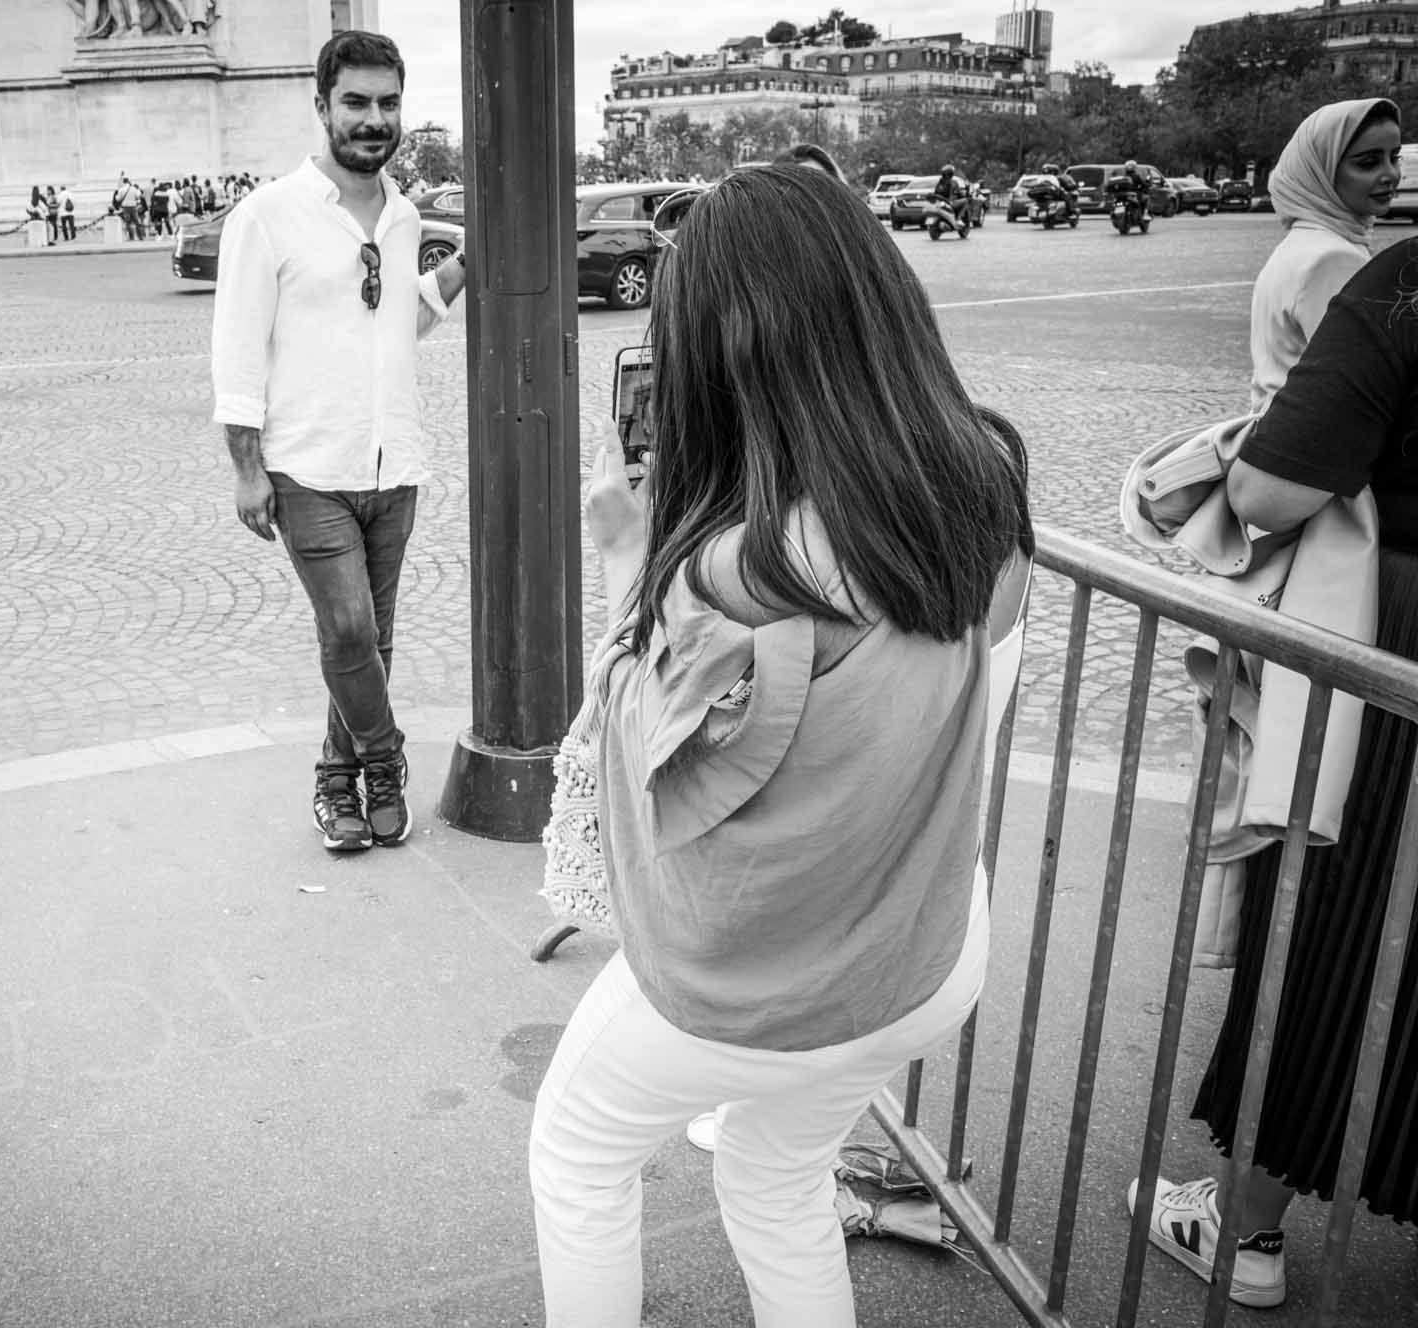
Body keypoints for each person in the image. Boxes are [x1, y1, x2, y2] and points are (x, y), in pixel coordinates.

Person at [528, 164, 1032, 1328]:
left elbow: (631, 753)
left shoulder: (735, 567)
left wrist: (625, 555)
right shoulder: (981, 493)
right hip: (923, 954)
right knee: (776, 1173)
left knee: (579, 1153)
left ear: (722, 356)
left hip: (752, 981)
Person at [1126, 107, 1406, 1311]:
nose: (1391, 170)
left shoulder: (1381, 276)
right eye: (1368, 152)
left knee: (1334, 919)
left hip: (1390, 635)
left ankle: (1246, 1230)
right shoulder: (1337, 256)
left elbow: (1279, 480)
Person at [210, 30, 470, 853]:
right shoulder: (267, 216)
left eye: (387, 103)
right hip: (305, 468)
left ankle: (335, 782)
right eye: (356, 102)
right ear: (321, 107)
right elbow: (237, 354)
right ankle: (385, 763)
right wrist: (248, 471)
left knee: (366, 641)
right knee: (352, 633)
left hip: (394, 464)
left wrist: (464, 265)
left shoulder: (404, 216)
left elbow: (402, 320)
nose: (373, 119)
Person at [1244, 98, 1400, 411]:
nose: (1390, 174)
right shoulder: (1333, 258)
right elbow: (1365, 381)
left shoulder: (1301, 243)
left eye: (1394, 158)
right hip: (1319, 446)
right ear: (1323, 171)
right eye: (1368, 163)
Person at [929, 163, 969, 236]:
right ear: (951, 173)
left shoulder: (940, 182)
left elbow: (935, 192)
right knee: (965, 201)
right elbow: (958, 193)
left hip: (939, 202)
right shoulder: (953, 182)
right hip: (950, 202)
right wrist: (963, 194)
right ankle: (959, 218)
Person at [113, 174, 145, 240]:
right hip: (133, 207)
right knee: (137, 222)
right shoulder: (133, 189)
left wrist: (116, 197)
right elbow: (138, 195)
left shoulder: (121, 189)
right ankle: (140, 236)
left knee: (128, 222)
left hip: (125, 208)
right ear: (128, 181)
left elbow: (118, 199)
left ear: (123, 182)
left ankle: (131, 237)